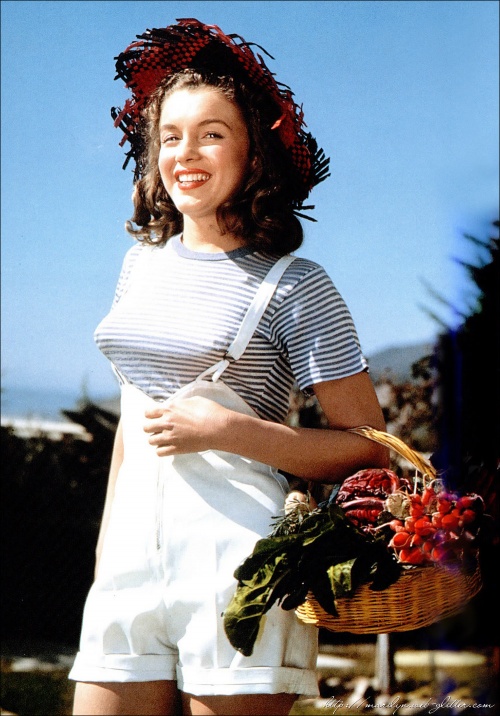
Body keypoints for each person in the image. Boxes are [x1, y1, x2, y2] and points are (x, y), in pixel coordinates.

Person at [69, 18, 388, 716]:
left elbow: (372, 450)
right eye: (170, 136)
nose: (186, 153)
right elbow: (132, 426)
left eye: (211, 134)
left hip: (238, 564)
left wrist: (227, 430)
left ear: (254, 153)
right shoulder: (138, 267)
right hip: (127, 562)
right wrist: (106, 559)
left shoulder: (297, 285)